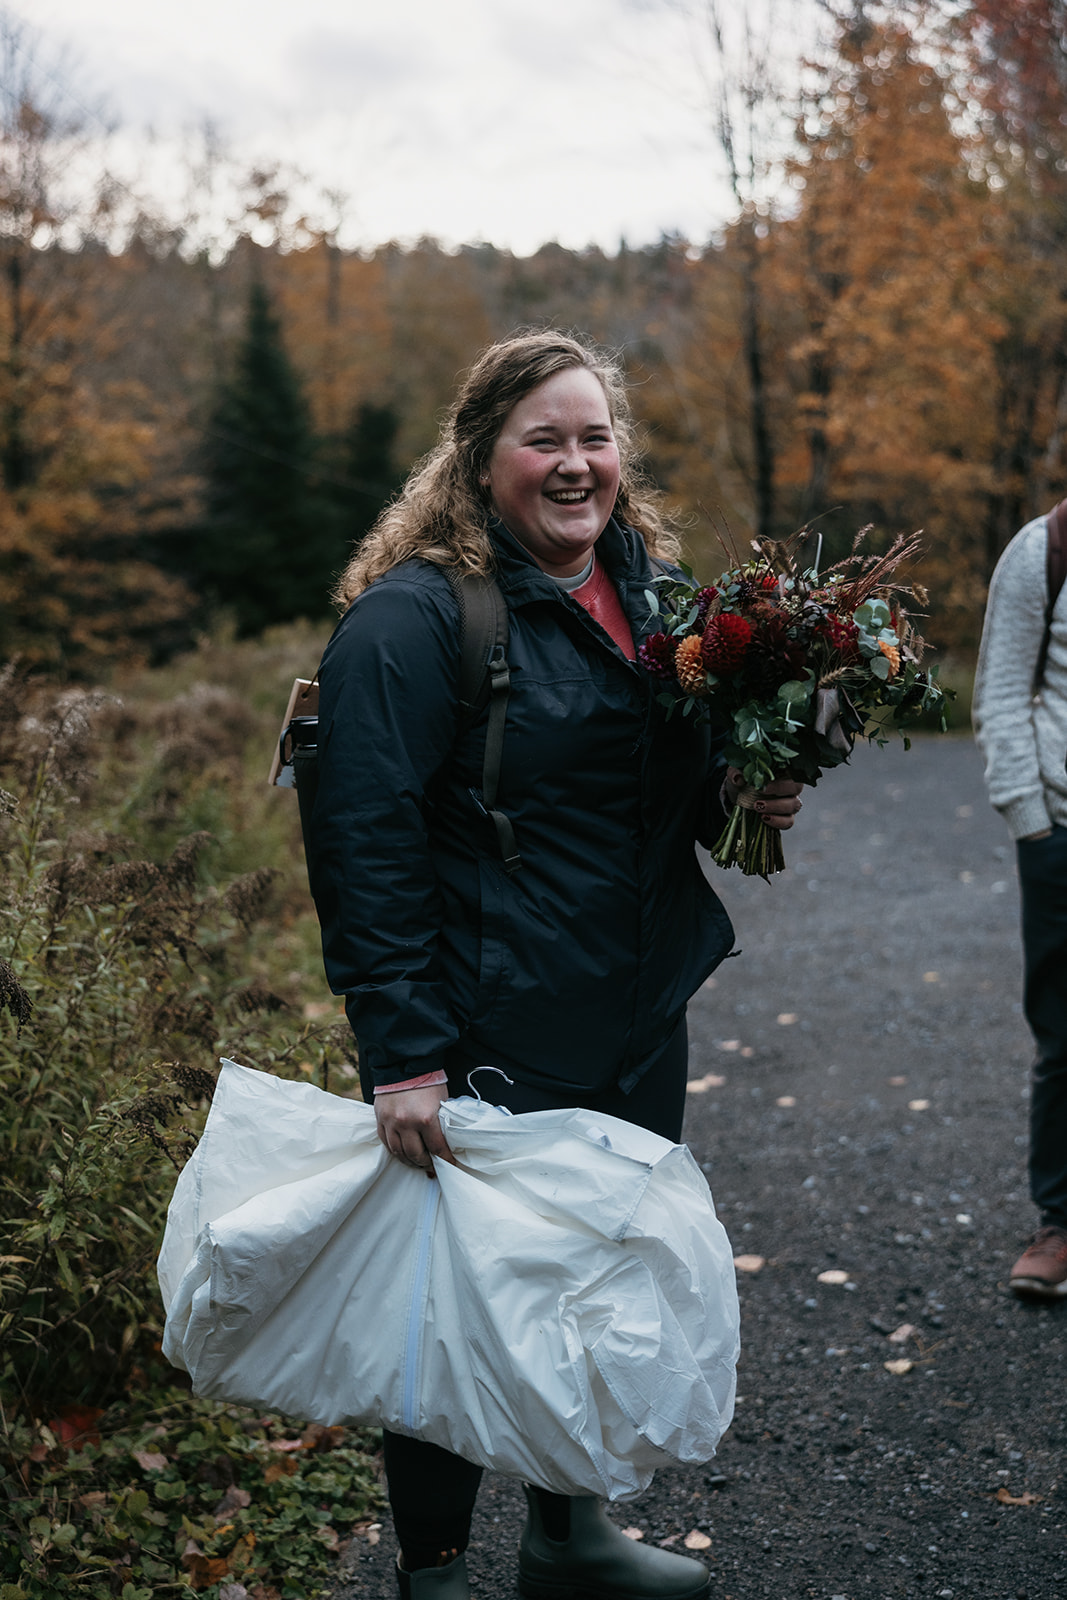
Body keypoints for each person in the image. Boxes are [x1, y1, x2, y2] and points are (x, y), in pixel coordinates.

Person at [307, 330, 803, 1600]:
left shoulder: (652, 596)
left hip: (632, 1008)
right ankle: (431, 1573)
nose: (576, 464)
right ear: (481, 460)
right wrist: (403, 1052)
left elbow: (659, 793)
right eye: (546, 439)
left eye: (594, 437)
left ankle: (565, 1536)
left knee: (594, 1276)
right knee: (457, 1308)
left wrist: (750, 786)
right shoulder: (411, 622)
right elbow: (365, 849)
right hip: (489, 1022)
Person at [973, 508, 1067, 1298]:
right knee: (1064, 1032)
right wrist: (1030, 821)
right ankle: (1060, 1222)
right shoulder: (1045, 548)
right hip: (1061, 836)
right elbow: (1001, 690)